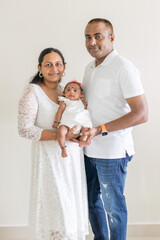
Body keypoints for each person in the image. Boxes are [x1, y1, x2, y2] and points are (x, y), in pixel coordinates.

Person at [82, 18, 148, 240]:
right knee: (90, 201)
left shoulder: (124, 68)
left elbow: (141, 113)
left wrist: (100, 129)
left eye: (98, 36)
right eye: (88, 37)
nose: (92, 42)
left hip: (112, 152)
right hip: (87, 149)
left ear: (111, 38)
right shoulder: (89, 68)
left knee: (113, 209)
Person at [18, 48, 89, 240]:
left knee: (71, 210)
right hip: (50, 162)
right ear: (40, 68)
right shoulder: (33, 91)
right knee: (57, 212)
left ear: (64, 67)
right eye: (48, 64)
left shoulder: (66, 91)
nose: (54, 69)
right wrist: (62, 137)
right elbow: (24, 129)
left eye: (58, 64)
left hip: (72, 160)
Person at [52, 80, 92, 158]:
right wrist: (56, 122)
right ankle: (63, 148)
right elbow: (59, 111)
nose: (71, 92)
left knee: (86, 129)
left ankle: (82, 141)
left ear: (80, 95)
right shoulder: (65, 101)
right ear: (64, 93)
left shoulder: (81, 102)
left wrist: (85, 106)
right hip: (67, 122)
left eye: (75, 90)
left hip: (80, 123)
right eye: (68, 90)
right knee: (61, 130)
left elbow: (84, 111)